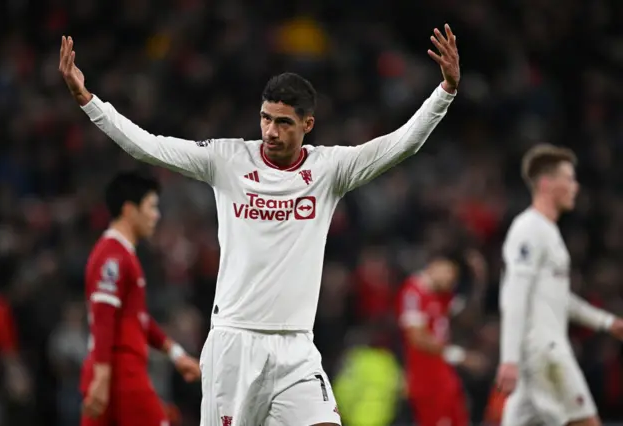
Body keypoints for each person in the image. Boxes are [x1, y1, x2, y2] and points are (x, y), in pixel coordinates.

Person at [59, 23, 460, 426]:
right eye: (266, 119)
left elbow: (401, 143)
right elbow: (148, 145)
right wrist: (90, 102)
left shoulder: (329, 170)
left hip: (297, 348)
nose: (270, 131)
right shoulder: (228, 160)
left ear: (308, 125)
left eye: (284, 122)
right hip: (235, 343)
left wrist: (444, 92)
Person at [496, 144, 623, 426]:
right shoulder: (528, 229)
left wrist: (606, 323)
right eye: (568, 178)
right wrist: (509, 358)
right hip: (546, 353)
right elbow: (515, 294)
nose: (575, 187)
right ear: (545, 184)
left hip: (537, 358)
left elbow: (559, 298)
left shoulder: (548, 232)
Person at [80, 172, 201, 426]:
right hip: (121, 373)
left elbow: (138, 319)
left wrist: (176, 354)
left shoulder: (122, 254)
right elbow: (103, 316)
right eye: (151, 207)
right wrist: (103, 376)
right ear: (129, 210)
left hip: (112, 372)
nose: (156, 215)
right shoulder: (113, 256)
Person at [397, 254, 487, 426]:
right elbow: (416, 337)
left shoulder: (441, 295)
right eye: (448, 273)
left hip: (444, 378)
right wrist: (460, 356)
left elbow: (468, 317)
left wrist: (477, 282)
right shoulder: (414, 291)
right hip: (426, 380)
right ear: (434, 265)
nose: (450, 280)